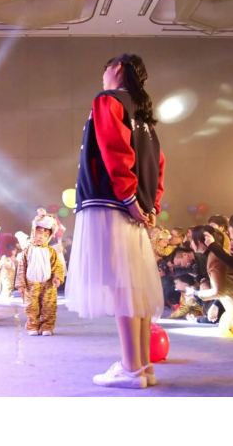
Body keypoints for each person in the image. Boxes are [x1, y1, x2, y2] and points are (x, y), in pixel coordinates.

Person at [66, 52, 165, 389]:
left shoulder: (109, 100)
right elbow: (158, 164)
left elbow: (113, 148)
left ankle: (131, 367)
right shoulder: (144, 118)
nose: (103, 74)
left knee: (123, 287)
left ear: (118, 68)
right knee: (133, 287)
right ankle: (142, 366)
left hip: (111, 203)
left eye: (106, 67)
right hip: (134, 207)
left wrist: (128, 196)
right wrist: (150, 205)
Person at [185, 225, 233, 317]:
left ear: (199, 242)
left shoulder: (214, 258)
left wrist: (195, 293)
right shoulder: (217, 254)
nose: (190, 244)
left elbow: (218, 291)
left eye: (192, 240)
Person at [15, 214, 64, 336]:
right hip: (31, 285)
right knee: (31, 307)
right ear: (33, 232)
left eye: (46, 235)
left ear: (49, 237)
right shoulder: (27, 250)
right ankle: (33, 326)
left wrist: (57, 277)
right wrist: (21, 284)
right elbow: (21, 268)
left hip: (48, 285)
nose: (42, 236)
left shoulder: (51, 251)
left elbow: (57, 266)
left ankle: (47, 326)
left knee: (49, 306)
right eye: (39, 233)